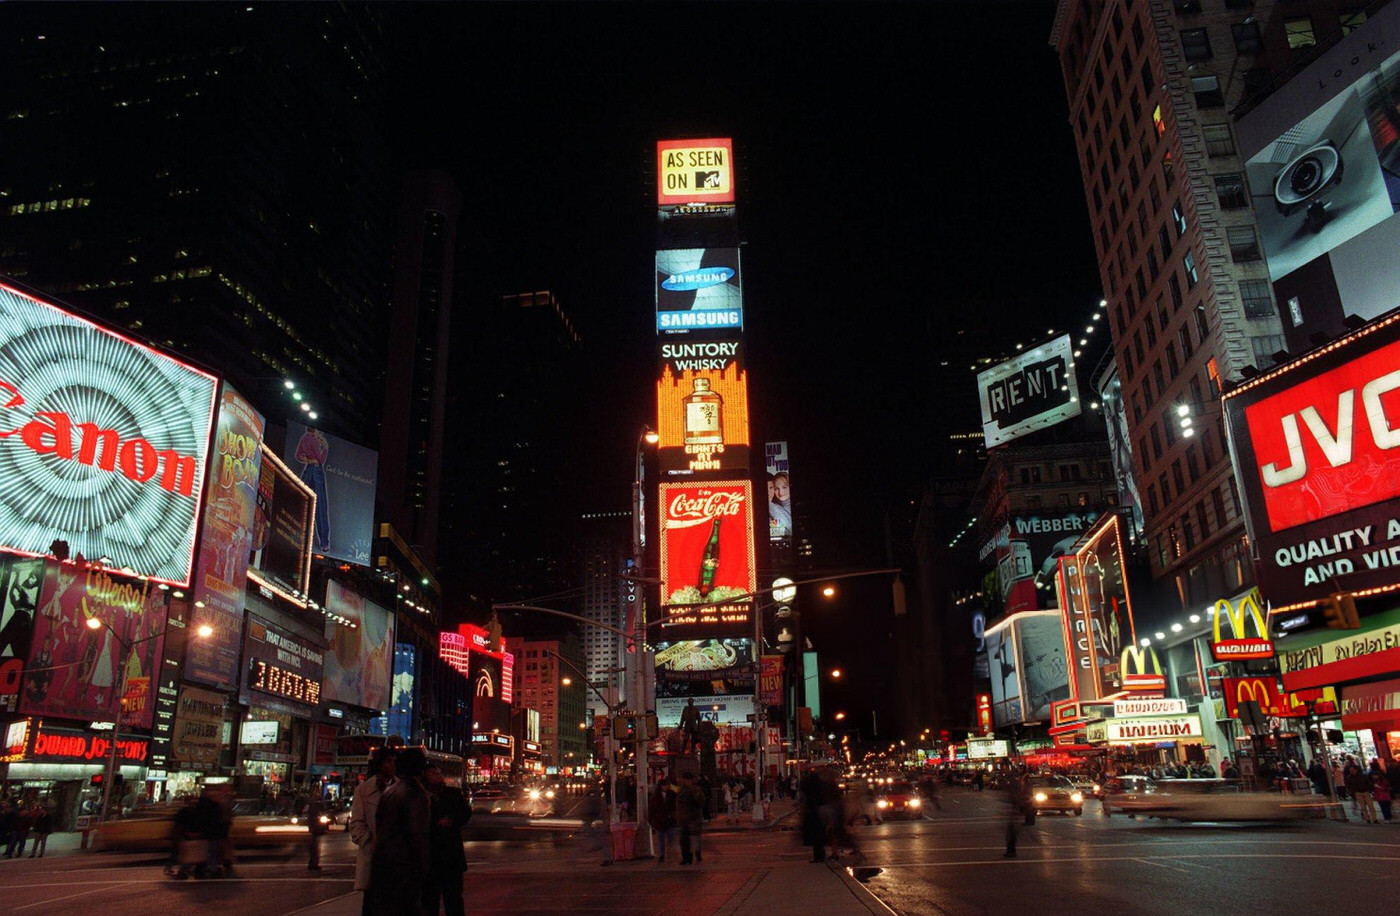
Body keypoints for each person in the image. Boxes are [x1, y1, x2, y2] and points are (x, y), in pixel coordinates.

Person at [372, 747, 431, 916]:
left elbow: (379, 825)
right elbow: (418, 836)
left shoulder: (389, 792)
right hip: (404, 868)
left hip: (384, 864)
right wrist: (423, 869)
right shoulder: (416, 795)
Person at [350, 747, 397, 916]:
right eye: (389, 762)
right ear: (380, 764)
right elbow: (356, 824)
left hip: (398, 857)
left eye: (394, 761)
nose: (393, 765)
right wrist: (370, 844)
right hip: (375, 858)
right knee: (371, 905)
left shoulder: (401, 788)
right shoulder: (363, 791)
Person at [423, 763, 471, 916]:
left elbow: (465, 813)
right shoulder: (420, 797)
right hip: (430, 857)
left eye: (437, 772)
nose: (436, 775)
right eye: (431, 773)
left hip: (451, 857)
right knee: (430, 902)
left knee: (454, 900)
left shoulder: (453, 793)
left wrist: (452, 821)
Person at [676, 772, 705, 866]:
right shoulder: (681, 790)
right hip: (684, 819)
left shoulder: (695, 790)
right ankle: (686, 858)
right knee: (684, 841)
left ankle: (693, 856)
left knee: (692, 840)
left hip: (693, 819)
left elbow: (700, 803)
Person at [799, 769, 827, 863]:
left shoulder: (809, 788)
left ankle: (818, 856)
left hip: (813, 813)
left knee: (816, 837)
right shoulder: (821, 786)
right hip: (820, 812)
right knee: (819, 836)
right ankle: (821, 855)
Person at [649, 778, 676, 863]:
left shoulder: (672, 794)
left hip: (670, 820)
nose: (666, 787)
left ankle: (670, 854)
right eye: (664, 785)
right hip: (660, 820)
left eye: (667, 785)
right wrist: (651, 820)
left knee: (670, 839)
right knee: (661, 839)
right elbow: (652, 809)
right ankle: (662, 855)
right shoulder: (656, 796)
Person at [306, 794, 329, 870]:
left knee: (314, 847)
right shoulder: (314, 807)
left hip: (314, 829)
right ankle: (313, 863)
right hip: (314, 829)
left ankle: (313, 863)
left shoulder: (311, 807)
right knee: (314, 847)